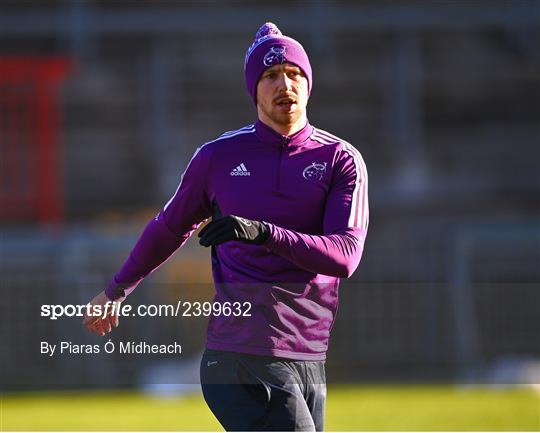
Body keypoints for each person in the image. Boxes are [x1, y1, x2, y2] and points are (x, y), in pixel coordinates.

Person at [84, 22, 368, 431]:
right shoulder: (217, 159)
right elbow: (168, 228)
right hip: (240, 357)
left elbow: (344, 257)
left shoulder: (340, 159)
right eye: (270, 75)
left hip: (309, 355)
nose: (283, 84)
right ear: (254, 89)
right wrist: (116, 290)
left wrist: (262, 232)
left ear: (308, 84)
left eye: (294, 73)